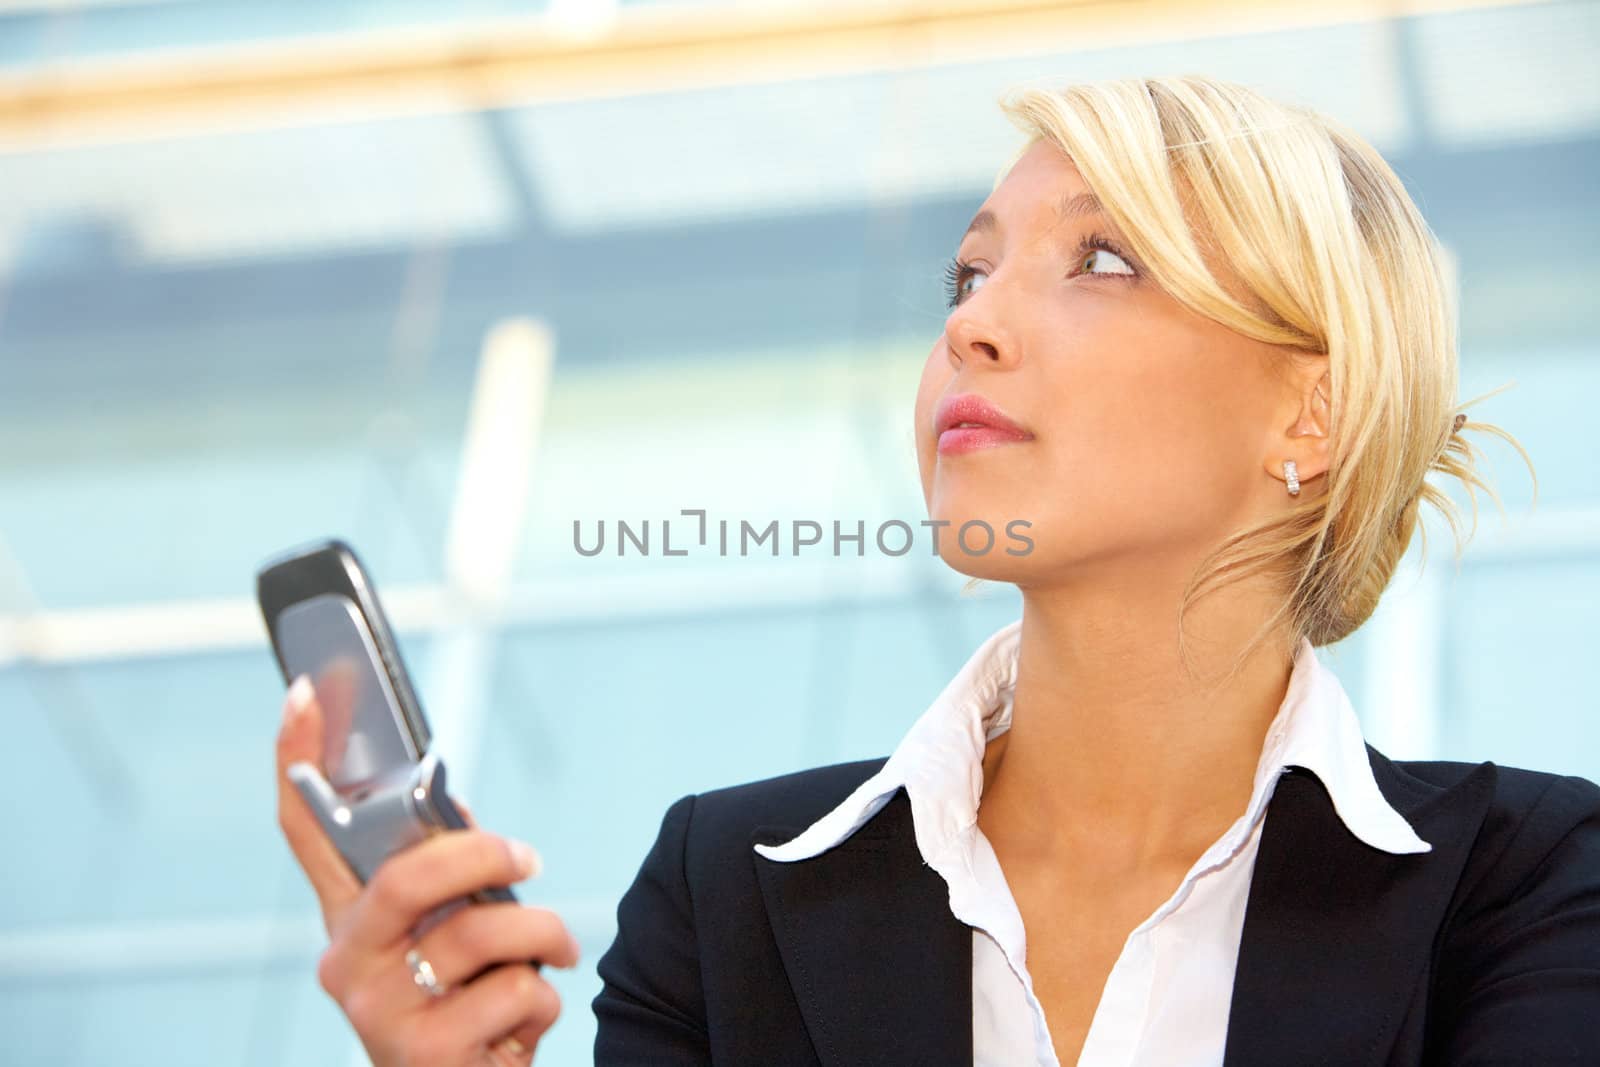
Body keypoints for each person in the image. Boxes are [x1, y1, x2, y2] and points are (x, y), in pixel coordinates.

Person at [274, 74, 1600, 1065]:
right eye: (968, 271)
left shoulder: (1532, 886)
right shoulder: (726, 887)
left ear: (1309, 414)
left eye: (1103, 258)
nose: (973, 323)